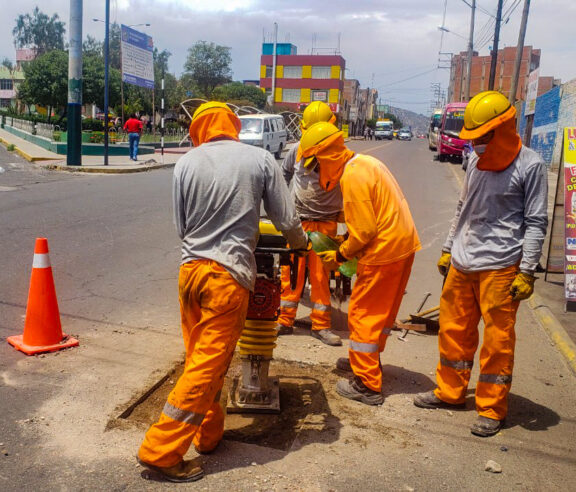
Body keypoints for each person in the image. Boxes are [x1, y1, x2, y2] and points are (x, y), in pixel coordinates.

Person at [137, 102, 308, 482]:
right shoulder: (259, 159)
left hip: (190, 274)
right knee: (206, 365)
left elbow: (183, 227)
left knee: (201, 360)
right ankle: (161, 451)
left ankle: (208, 435)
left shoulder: (185, 164)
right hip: (227, 277)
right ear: (233, 126)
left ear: (198, 130)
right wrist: (300, 244)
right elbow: (286, 218)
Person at [413, 91, 548, 437]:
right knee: (453, 332)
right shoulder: (473, 160)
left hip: (501, 266)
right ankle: (450, 392)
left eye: (485, 137)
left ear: (503, 128)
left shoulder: (530, 166)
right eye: (476, 139)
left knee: (497, 342)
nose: (479, 145)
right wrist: (447, 248)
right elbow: (464, 208)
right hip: (463, 260)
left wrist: (527, 271)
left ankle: (491, 408)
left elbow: (535, 222)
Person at [300, 122, 420, 406]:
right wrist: (345, 238)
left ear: (325, 157)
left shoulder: (352, 175)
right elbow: (368, 220)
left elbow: (365, 232)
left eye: (315, 166)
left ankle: (366, 384)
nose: (316, 174)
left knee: (363, 313)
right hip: (400, 245)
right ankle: (365, 362)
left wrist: (340, 255)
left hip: (383, 251)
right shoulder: (365, 163)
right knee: (381, 313)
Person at [277, 101, 342, 346]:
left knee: (321, 276)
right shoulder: (296, 150)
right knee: (291, 274)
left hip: (326, 223)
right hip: (298, 222)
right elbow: (283, 174)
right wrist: (283, 202)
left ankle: (321, 326)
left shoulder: (338, 154)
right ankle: (285, 320)